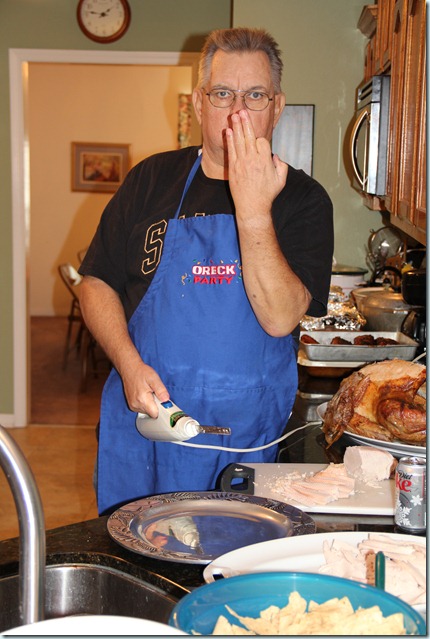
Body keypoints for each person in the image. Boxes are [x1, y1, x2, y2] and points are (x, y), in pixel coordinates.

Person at [79, 27, 334, 516]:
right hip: (149, 424)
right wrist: (128, 365)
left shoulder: (304, 200)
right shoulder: (149, 180)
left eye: (255, 95)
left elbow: (281, 318)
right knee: (136, 553)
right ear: (199, 103)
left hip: (245, 441)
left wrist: (254, 207)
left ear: (277, 107)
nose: (237, 111)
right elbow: (96, 282)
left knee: (234, 554)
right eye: (222, 94)